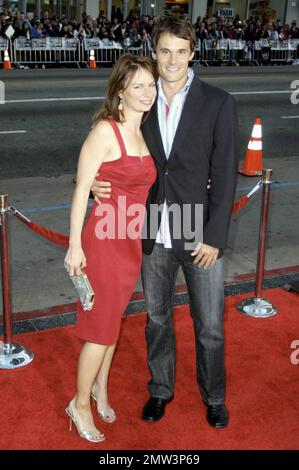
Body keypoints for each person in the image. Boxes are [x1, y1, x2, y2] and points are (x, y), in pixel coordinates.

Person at [92, 16, 239, 429]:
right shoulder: (142, 98)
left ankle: (214, 397)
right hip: (153, 225)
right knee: (157, 319)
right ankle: (160, 389)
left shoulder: (218, 102)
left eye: (180, 51)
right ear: (154, 54)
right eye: (164, 51)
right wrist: (96, 187)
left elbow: (226, 174)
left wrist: (215, 237)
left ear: (193, 53)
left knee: (209, 324)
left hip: (198, 231)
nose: (172, 60)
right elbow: (112, 149)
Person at [64, 53, 157, 442]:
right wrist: (74, 246)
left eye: (151, 85)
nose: (147, 92)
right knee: (101, 330)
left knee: (112, 323)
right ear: (120, 92)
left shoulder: (145, 132)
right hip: (102, 242)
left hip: (129, 241)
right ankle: (79, 403)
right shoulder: (107, 130)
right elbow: (83, 186)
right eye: (138, 86)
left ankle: (101, 388)